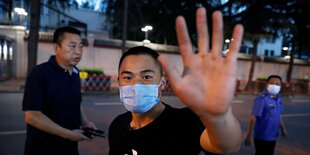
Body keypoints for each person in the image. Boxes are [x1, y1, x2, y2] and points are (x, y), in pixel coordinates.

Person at [109, 7, 244, 155]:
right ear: (119, 82)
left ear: (163, 82)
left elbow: (227, 146)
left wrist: (217, 117)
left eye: (147, 77)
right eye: (128, 77)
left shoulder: (185, 122)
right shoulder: (117, 126)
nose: (137, 84)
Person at [22, 26, 96, 155]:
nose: (78, 52)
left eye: (80, 47)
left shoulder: (75, 72)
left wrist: (85, 123)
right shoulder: (39, 73)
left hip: (70, 148)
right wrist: (67, 134)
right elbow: (32, 116)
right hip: (43, 149)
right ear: (57, 48)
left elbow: (75, 102)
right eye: (72, 46)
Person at [245, 75, 288, 155]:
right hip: (262, 137)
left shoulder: (278, 98)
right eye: (272, 83)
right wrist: (249, 135)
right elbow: (253, 117)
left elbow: (279, 115)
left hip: (273, 135)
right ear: (266, 84)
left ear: (281, 86)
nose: (275, 86)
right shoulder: (261, 98)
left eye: (277, 84)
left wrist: (283, 128)